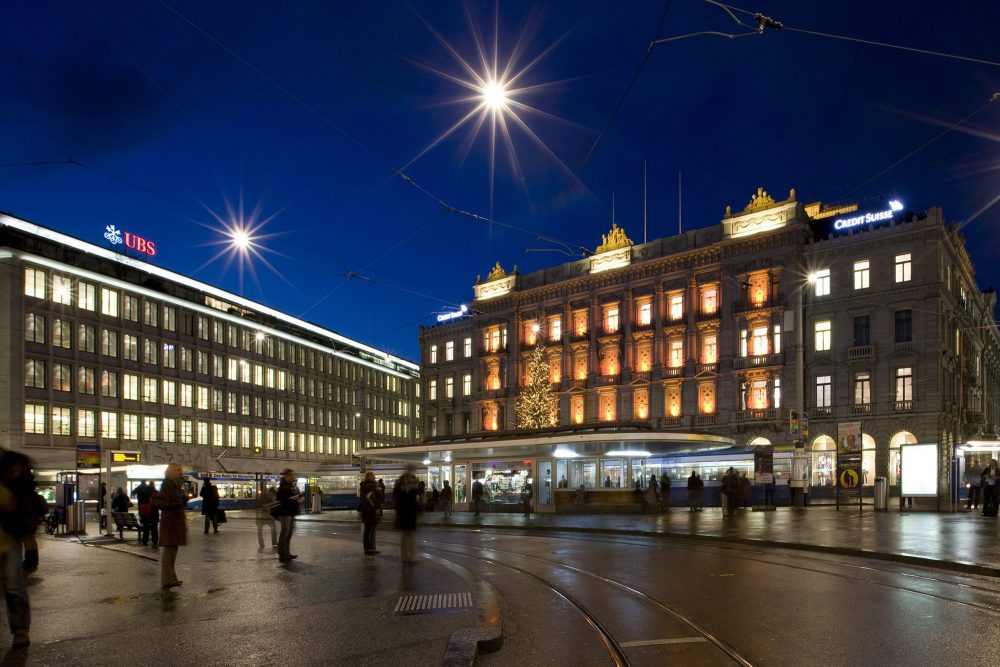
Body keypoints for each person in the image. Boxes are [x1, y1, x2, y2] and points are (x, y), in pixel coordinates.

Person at [0, 448, 37, 648]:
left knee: (13, 583)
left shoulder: (15, 462)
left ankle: (21, 630)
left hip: (9, 533)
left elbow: (25, 497)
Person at [153, 462, 187, 589]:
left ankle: (171, 578)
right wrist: (181, 500)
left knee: (172, 550)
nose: (180, 472)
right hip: (170, 522)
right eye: (177, 470)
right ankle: (168, 579)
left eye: (180, 470)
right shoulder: (168, 483)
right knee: (169, 551)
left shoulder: (173, 483)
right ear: (171, 471)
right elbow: (170, 502)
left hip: (173, 521)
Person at [393, 464, 421, 563]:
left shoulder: (414, 480)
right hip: (404, 512)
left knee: (411, 536)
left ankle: (411, 557)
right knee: (405, 536)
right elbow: (397, 496)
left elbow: (416, 494)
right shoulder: (401, 481)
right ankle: (405, 557)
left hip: (411, 511)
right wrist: (405, 489)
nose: (414, 472)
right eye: (412, 470)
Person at [274, 469, 302, 562]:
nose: (293, 476)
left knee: (289, 534)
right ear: (286, 476)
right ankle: (282, 554)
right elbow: (284, 501)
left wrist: (297, 499)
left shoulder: (291, 486)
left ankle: (287, 552)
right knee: (285, 533)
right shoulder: (283, 487)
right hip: (285, 513)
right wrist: (296, 499)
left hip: (290, 512)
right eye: (291, 475)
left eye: (293, 475)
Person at [357, 472, 382, 555]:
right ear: (372, 477)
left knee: (366, 530)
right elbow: (380, 496)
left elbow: (362, 499)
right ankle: (372, 549)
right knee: (372, 531)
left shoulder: (362, 486)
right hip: (372, 510)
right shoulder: (374, 486)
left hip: (365, 511)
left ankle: (366, 549)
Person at [135, 480, 158, 547]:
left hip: (146, 512)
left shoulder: (144, 492)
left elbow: (141, 502)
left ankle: (145, 541)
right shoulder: (156, 492)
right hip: (154, 512)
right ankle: (154, 541)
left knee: (146, 527)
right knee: (154, 528)